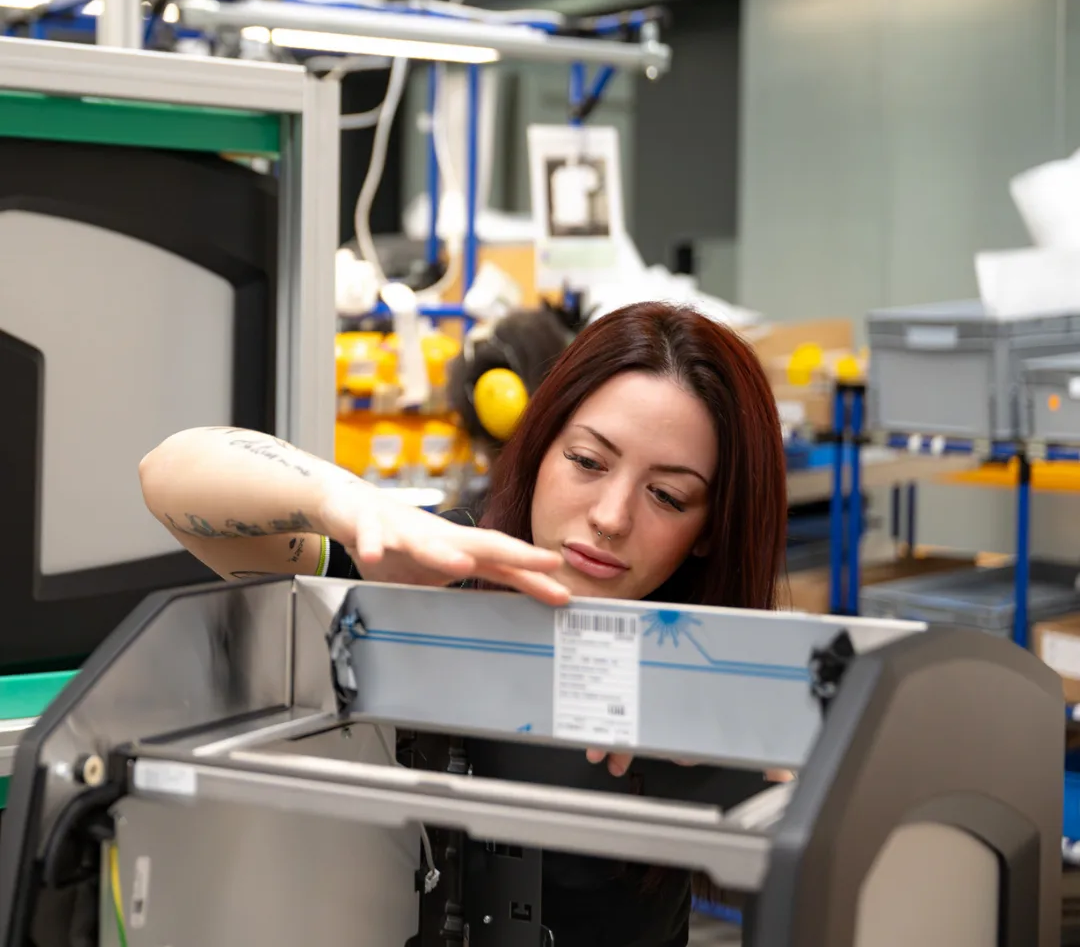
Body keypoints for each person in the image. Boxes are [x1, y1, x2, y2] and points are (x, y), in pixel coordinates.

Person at [139, 300, 788, 947]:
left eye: (668, 496)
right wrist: (350, 507)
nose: (611, 516)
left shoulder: (722, 670)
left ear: (709, 532)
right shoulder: (433, 573)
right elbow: (169, 476)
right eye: (588, 461)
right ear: (541, 448)